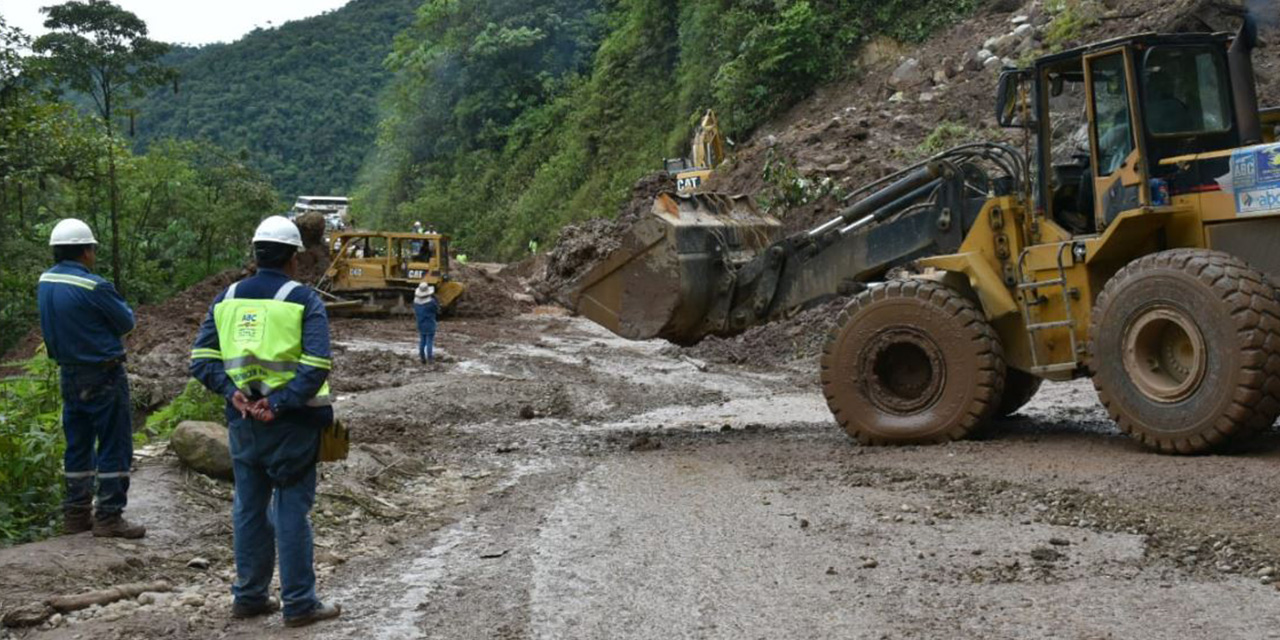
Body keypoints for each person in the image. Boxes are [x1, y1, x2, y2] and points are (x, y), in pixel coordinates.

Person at [189, 216, 341, 627]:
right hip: (293, 424)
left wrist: (231, 391)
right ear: (293, 258)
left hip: (243, 422)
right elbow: (316, 364)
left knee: (249, 507)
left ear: (256, 255)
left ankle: (250, 596)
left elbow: (201, 360)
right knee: (292, 508)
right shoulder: (303, 299)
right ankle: (299, 603)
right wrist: (280, 402)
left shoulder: (227, 298)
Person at [37, 218, 145, 538]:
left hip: (68, 373)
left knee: (78, 443)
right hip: (103, 373)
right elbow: (126, 323)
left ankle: (75, 514)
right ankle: (109, 516)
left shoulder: (45, 281)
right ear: (85, 251)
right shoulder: (94, 285)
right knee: (114, 442)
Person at [414, 282, 440, 364]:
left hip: (420, 323)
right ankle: (430, 359)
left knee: (422, 341)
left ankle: (422, 358)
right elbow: (436, 310)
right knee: (429, 341)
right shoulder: (431, 302)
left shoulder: (415, 301)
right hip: (429, 323)